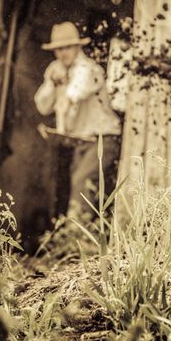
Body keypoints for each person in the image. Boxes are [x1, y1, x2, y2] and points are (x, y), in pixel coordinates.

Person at [34, 22, 122, 219]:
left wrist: (65, 96)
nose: (62, 53)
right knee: (73, 184)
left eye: (67, 47)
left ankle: (76, 236)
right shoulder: (55, 69)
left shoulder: (89, 69)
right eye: (58, 49)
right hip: (81, 141)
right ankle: (75, 235)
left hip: (103, 138)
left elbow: (76, 90)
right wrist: (52, 84)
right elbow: (42, 105)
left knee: (82, 183)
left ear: (77, 47)